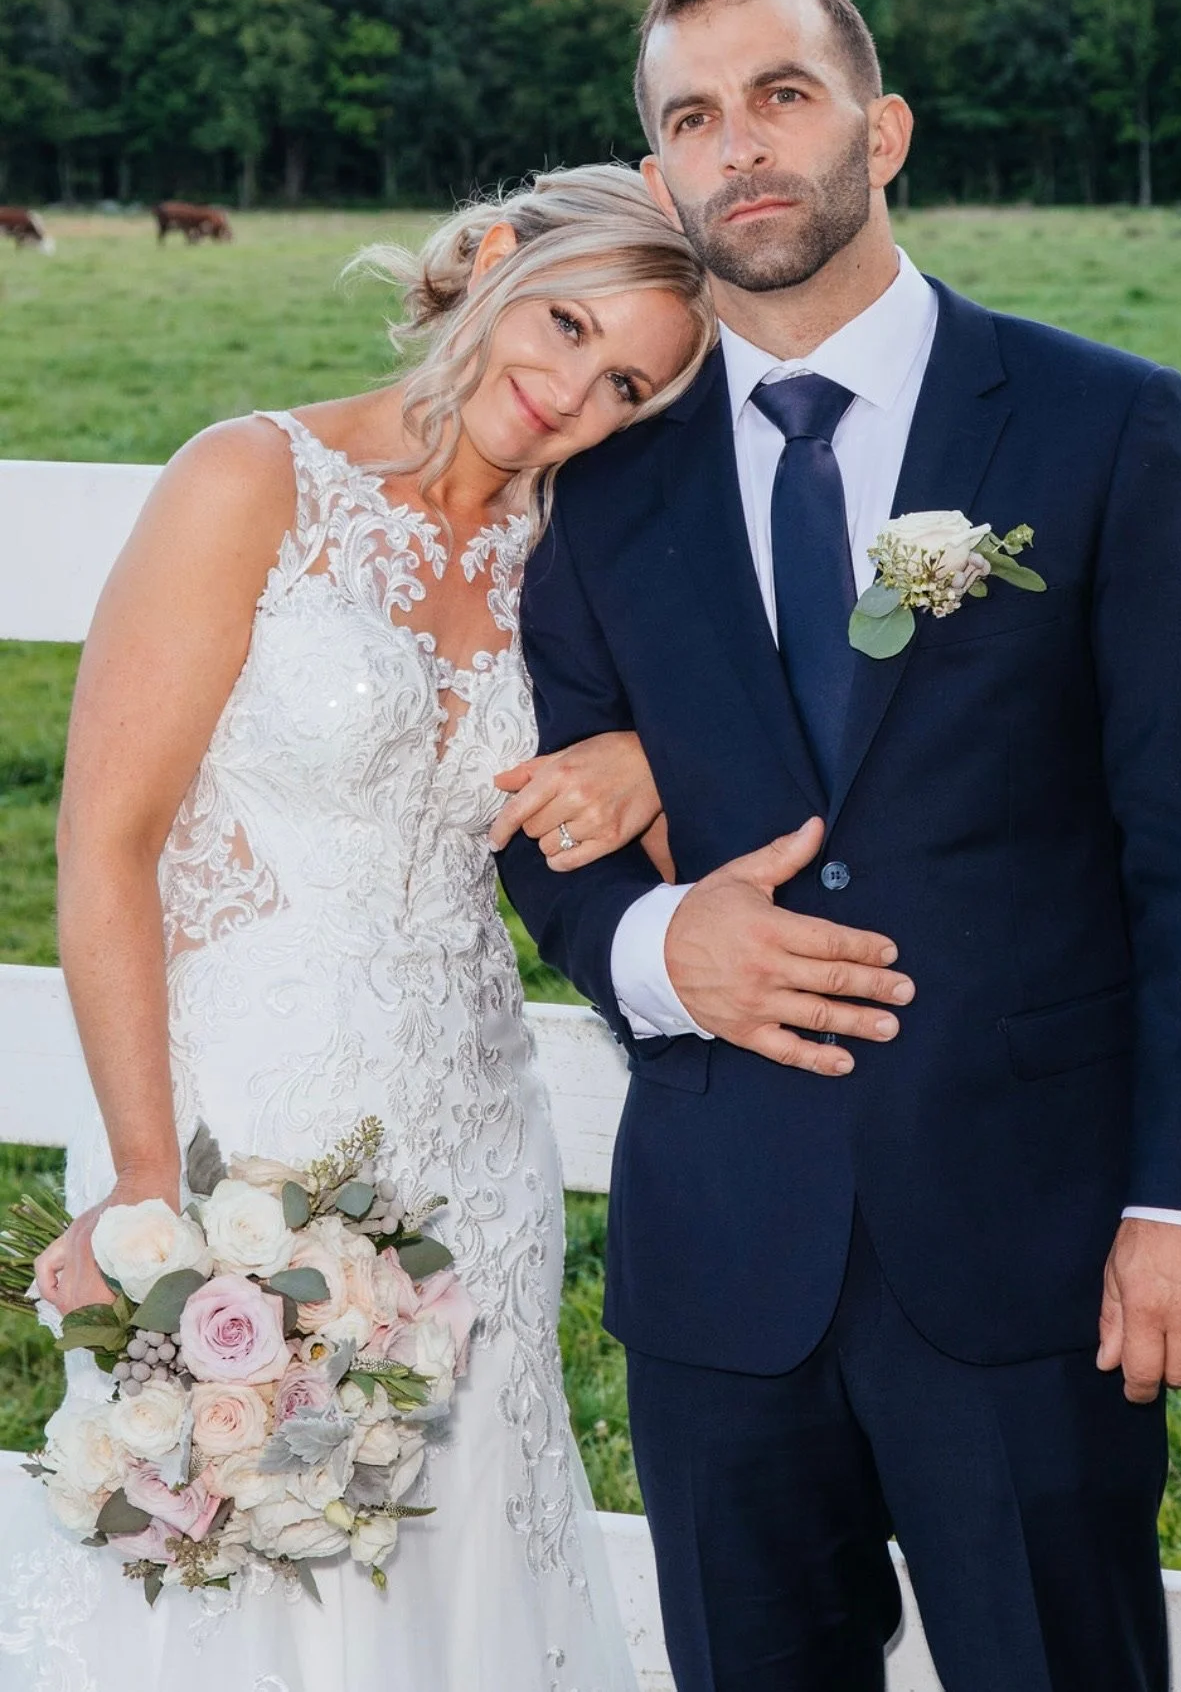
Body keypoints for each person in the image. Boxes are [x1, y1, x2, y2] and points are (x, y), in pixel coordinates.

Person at [494, 0, 1181, 1692]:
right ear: (657, 179)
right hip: (722, 1263)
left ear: (882, 126)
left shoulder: (1101, 422)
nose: (742, 147)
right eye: (692, 118)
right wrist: (653, 942)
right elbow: (531, 811)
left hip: (1031, 1244)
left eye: (782, 94)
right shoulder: (597, 486)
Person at [0, 165, 714, 1692]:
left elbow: (666, 828)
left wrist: (650, 755)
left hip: (473, 1153)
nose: (569, 389)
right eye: (568, 322)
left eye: (623, 383)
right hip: (231, 1127)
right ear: (497, 258)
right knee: (225, 1576)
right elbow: (105, 842)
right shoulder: (251, 478)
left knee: (464, 1573)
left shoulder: (574, 560)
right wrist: (145, 1183)